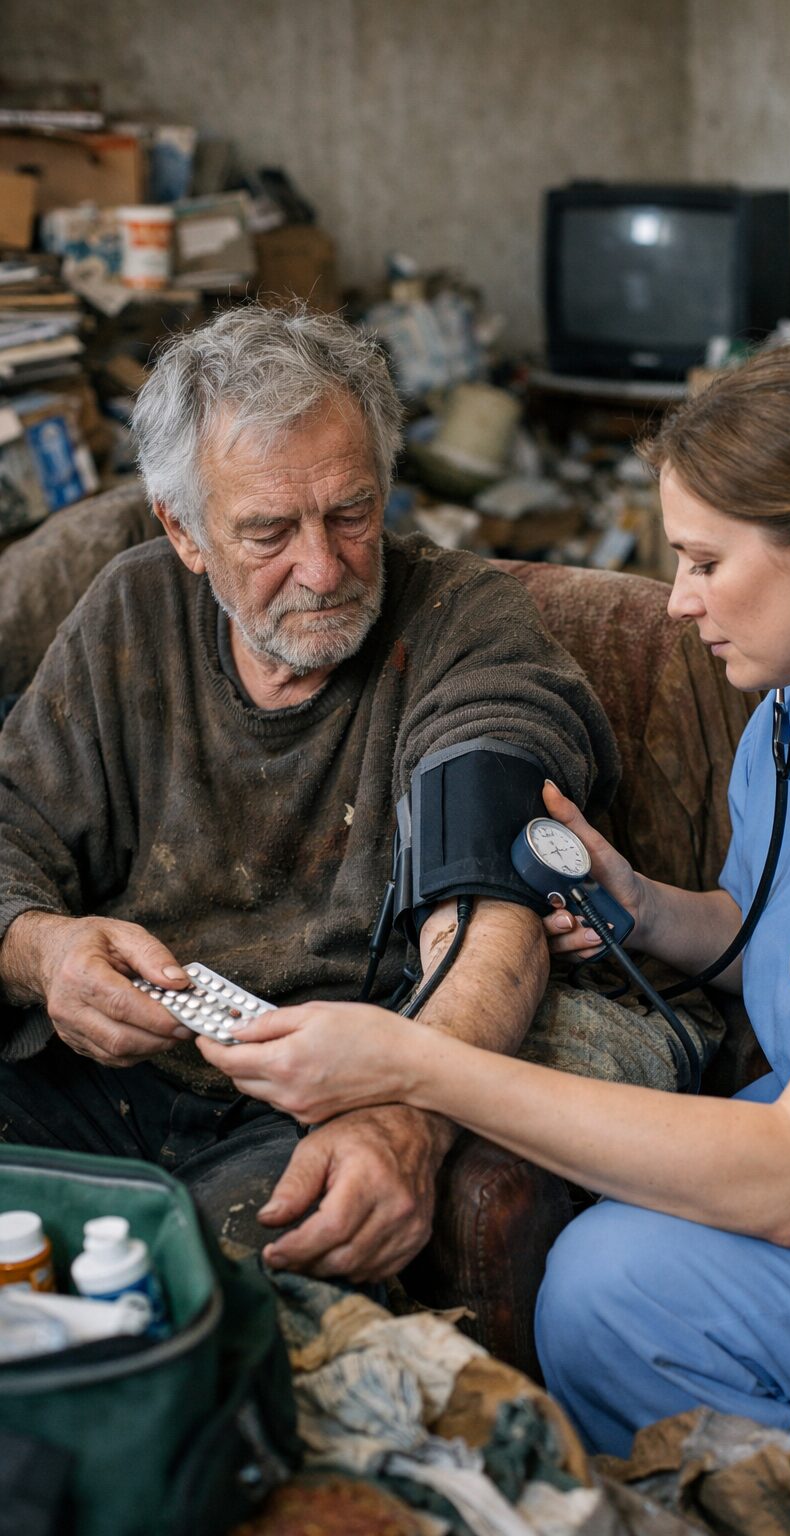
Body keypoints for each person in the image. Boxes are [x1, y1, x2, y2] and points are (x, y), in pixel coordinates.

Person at [194, 341, 790, 1471]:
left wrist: (410, 1064)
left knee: (610, 1293)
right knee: (611, 1226)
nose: (676, 604)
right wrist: (649, 909)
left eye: (700, 562)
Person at [0, 302, 621, 1283]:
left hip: (315, 1106)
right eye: (267, 532)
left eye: (351, 513)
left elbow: (485, 901)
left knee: (215, 1298)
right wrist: (43, 951)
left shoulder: (462, 626)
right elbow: (11, 830)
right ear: (185, 531)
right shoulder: (132, 607)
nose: (323, 569)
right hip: (101, 1084)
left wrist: (408, 1116)